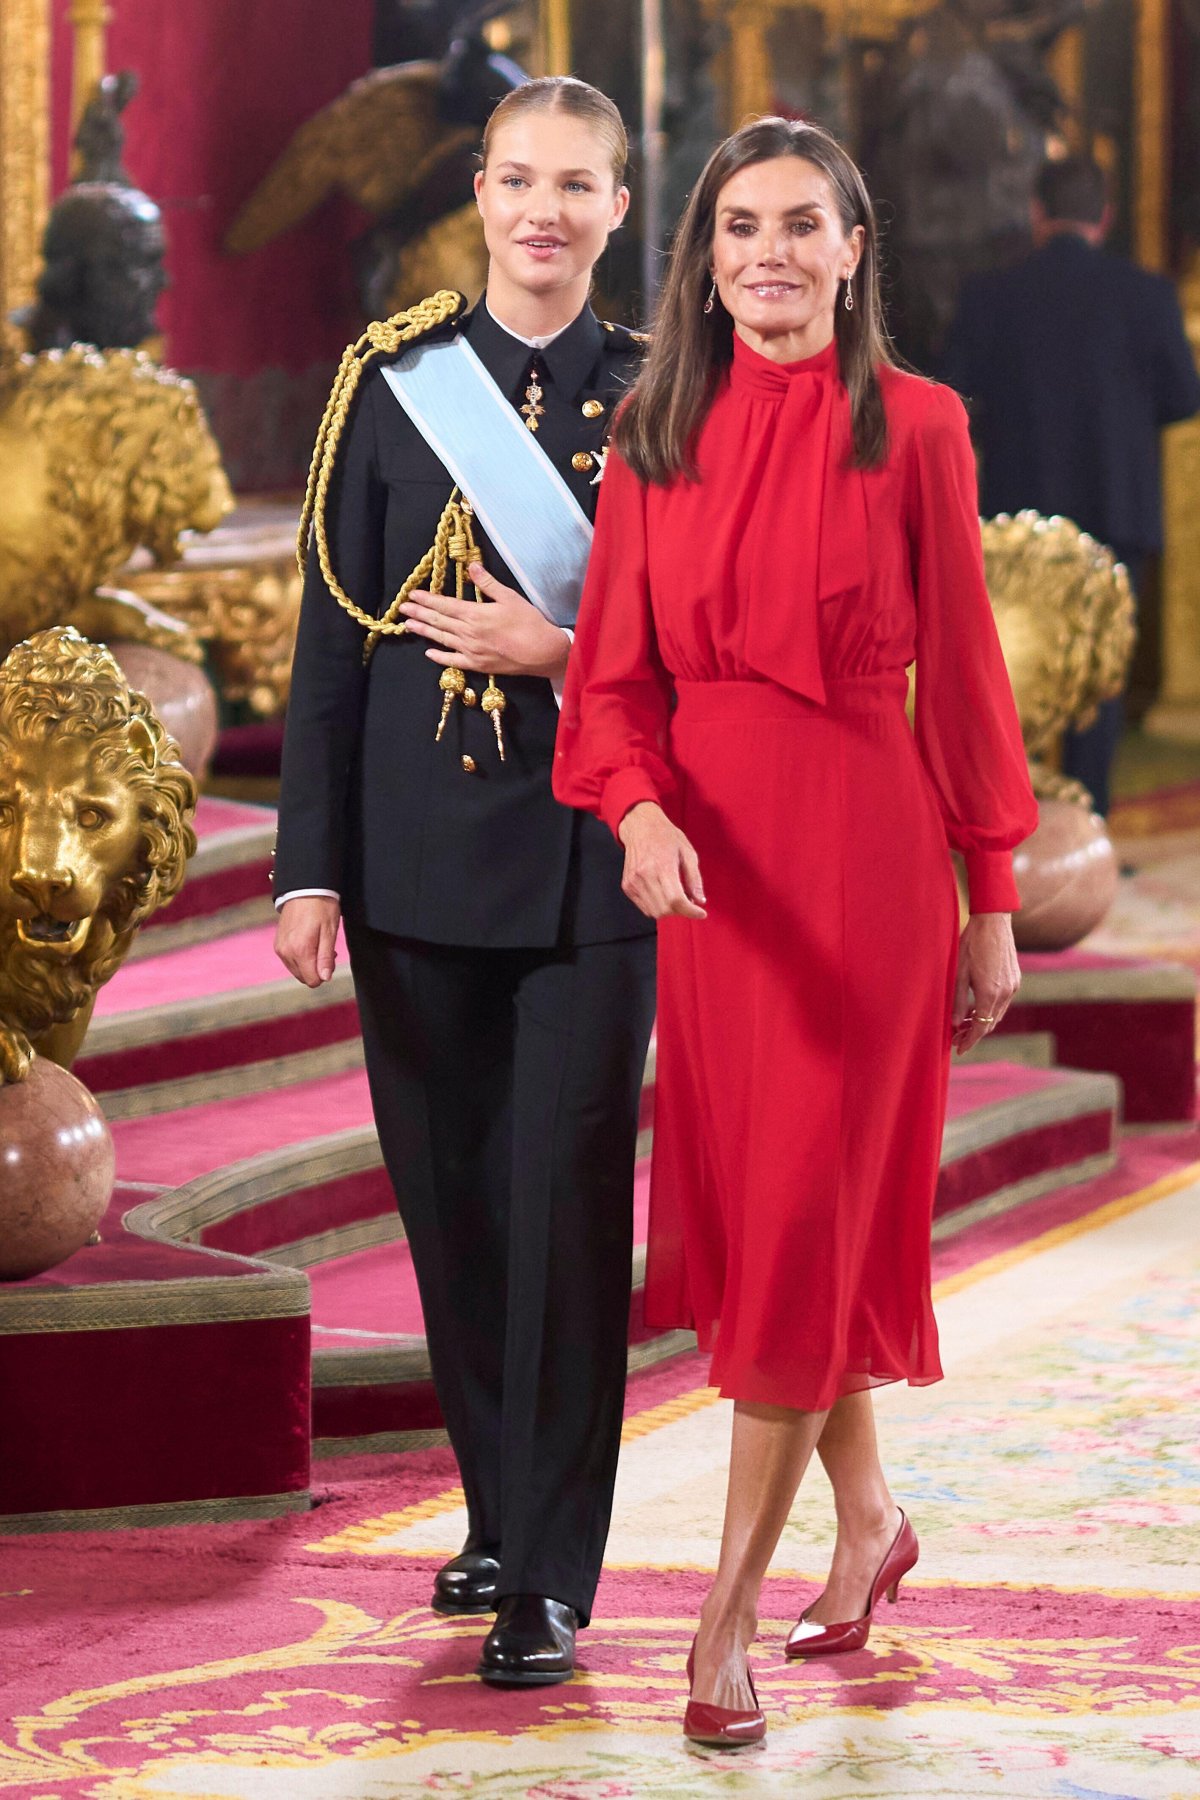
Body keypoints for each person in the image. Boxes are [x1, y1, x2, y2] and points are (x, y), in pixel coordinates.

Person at [554, 117, 1037, 1747]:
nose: (767, 250)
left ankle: (721, 1618)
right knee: (779, 1225)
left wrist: (995, 901)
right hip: (715, 877)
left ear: (852, 250)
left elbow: (967, 679)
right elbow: (611, 681)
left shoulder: (924, 429)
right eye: (738, 224)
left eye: (801, 225)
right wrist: (634, 814)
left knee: (799, 1214)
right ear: (703, 255)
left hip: (874, 870)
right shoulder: (649, 438)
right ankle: (875, 1517)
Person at [273, 77, 657, 1688]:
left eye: (577, 186)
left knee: (562, 1215)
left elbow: (708, 646)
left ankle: (550, 1578)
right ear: (480, 198)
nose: (543, 212)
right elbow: (328, 648)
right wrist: (310, 871)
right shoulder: (394, 383)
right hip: (420, 861)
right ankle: (501, 1505)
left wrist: (560, 650)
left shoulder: (667, 397)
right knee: (452, 1212)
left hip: (587, 868)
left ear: (620, 211)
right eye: (519, 181)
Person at [943, 154, 1200, 814]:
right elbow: (1182, 397)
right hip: (1118, 508)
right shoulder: (1147, 294)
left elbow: (954, 397)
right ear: (1105, 217)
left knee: (1013, 667)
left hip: (1018, 514)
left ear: (1036, 214)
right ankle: (1089, 824)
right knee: (1101, 672)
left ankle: (1010, 822)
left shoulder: (991, 295)